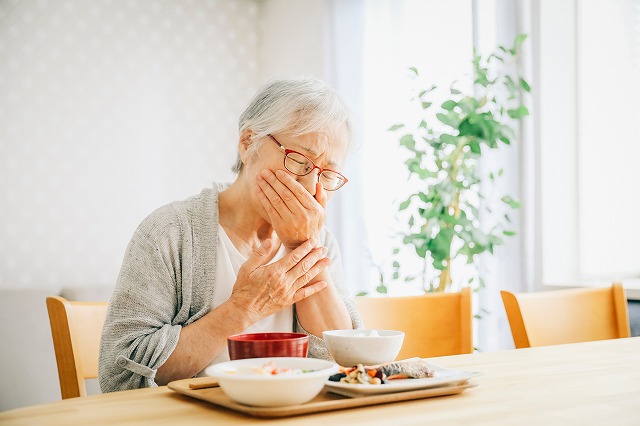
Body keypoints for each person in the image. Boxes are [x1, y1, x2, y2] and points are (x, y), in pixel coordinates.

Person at [99, 76, 363, 392]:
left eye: (327, 174)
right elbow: (120, 377)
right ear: (248, 142)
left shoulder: (320, 240)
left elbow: (346, 364)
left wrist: (302, 244)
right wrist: (243, 307)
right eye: (299, 161)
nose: (310, 188)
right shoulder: (170, 233)